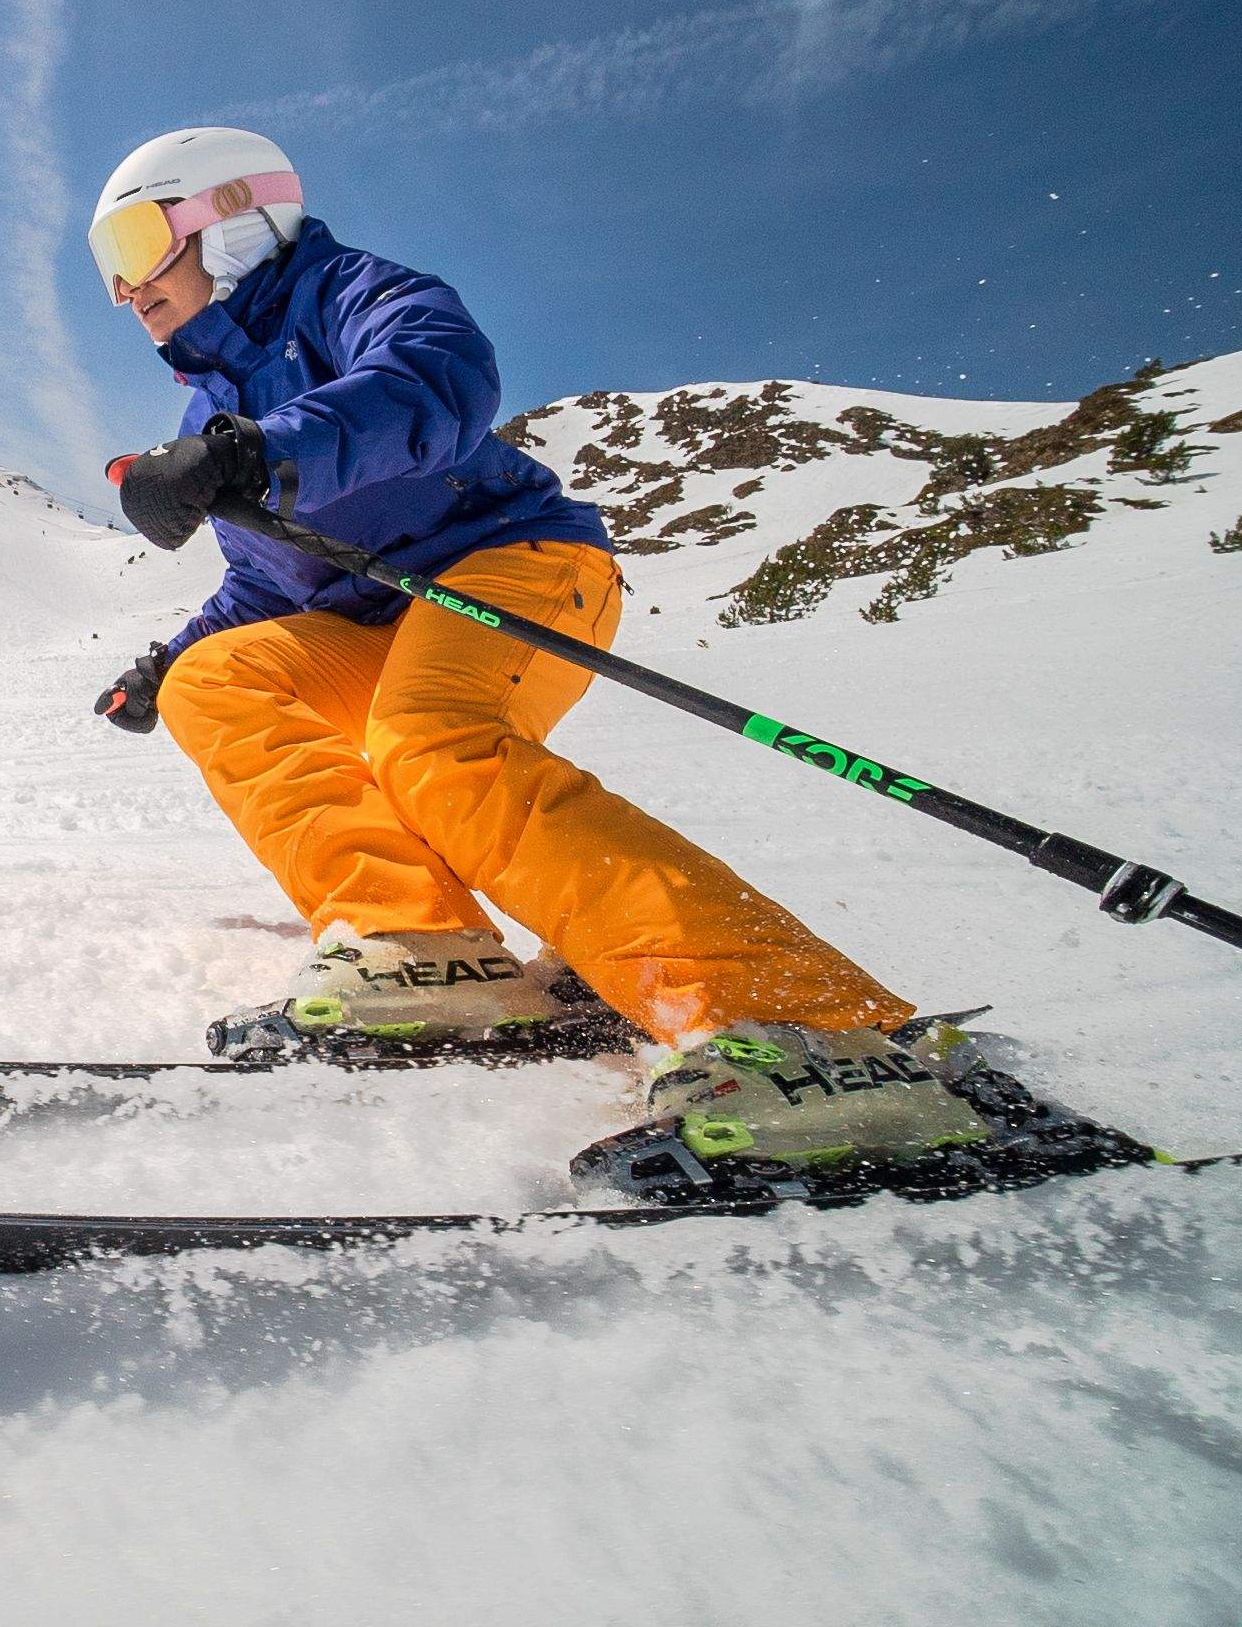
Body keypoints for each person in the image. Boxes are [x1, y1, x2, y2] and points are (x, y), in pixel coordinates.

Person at [87, 126, 988, 1177]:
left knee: (431, 737)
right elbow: (264, 579)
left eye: (138, 241)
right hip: (381, 615)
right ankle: (420, 948)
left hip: (517, 564)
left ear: (232, 218)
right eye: (108, 265)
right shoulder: (213, 409)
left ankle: (803, 1026)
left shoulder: (351, 293)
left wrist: (262, 450)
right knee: (219, 678)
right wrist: (167, 658)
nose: (124, 288)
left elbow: (435, 382)